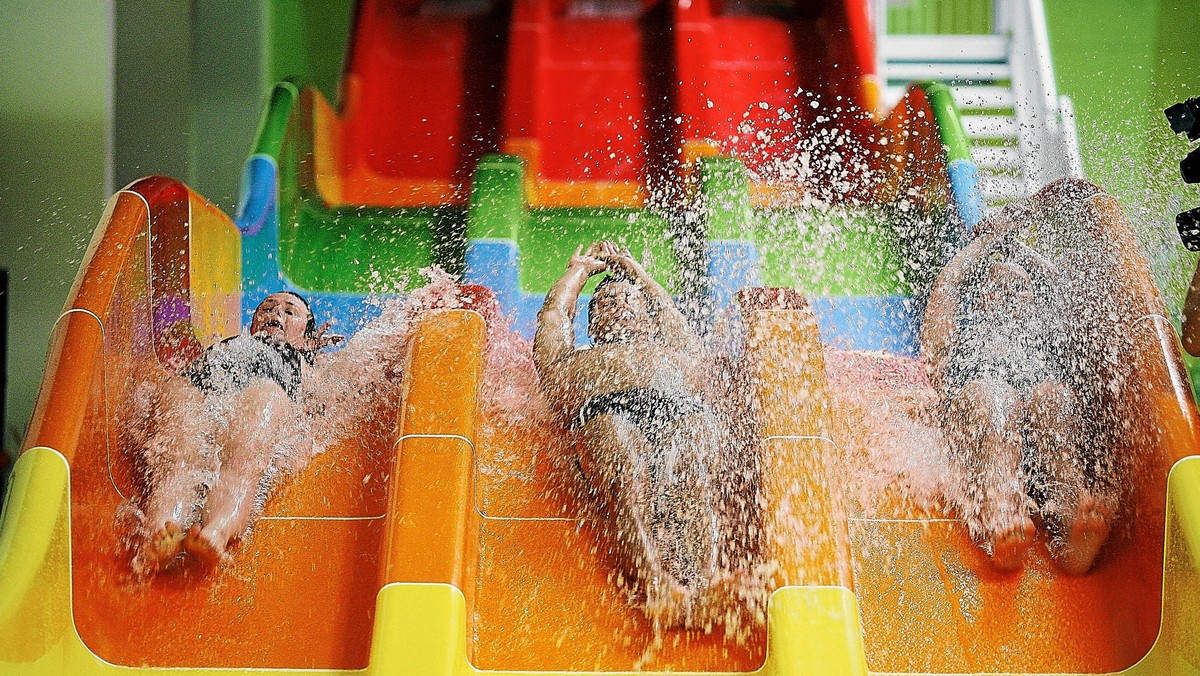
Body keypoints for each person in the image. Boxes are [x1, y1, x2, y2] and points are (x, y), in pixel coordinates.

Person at [533, 241, 734, 628]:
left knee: (690, 454)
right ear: (592, 326)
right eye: (606, 305)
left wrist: (638, 274)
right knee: (623, 461)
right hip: (606, 415)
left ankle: (705, 585)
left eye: (630, 301)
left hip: (678, 410)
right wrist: (577, 271)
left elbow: (673, 317)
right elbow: (554, 317)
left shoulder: (678, 354)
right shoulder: (571, 361)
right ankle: (654, 582)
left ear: (647, 317)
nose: (620, 306)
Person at [922, 205, 1116, 575]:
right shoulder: (962, 341)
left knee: (1053, 398)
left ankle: (1069, 527)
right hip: (982, 439)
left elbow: (1058, 289)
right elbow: (946, 293)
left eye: (1021, 289)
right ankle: (1000, 516)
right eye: (998, 287)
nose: (1010, 293)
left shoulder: (1047, 341)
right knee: (991, 398)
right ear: (976, 304)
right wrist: (986, 242)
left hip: (1037, 449)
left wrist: (1018, 242)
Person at [132, 292, 345, 574]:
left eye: (290, 312)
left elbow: (340, 384)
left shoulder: (302, 361)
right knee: (178, 453)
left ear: (306, 337)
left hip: (267, 385)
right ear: (254, 322)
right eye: (267, 308)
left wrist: (312, 353)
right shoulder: (232, 347)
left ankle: (216, 530)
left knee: (246, 447)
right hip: (200, 383)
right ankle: (164, 527)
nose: (276, 313)